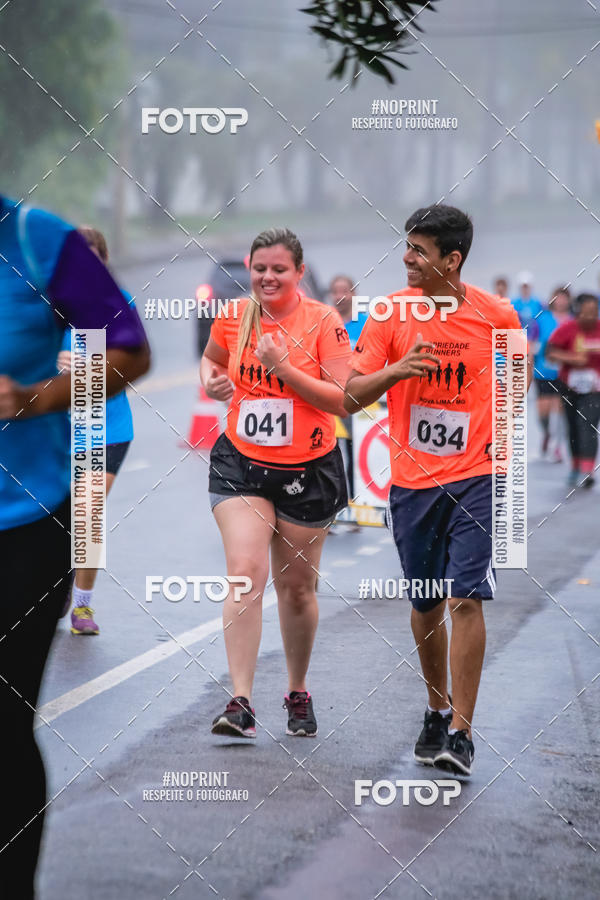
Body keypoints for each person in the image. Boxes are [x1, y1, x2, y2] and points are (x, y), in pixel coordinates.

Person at [344, 204, 531, 777]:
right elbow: (350, 393)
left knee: (465, 598)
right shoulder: (389, 314)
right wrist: (396, 372)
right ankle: (436, 707)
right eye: (406, 246)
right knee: (425, 603)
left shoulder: (496, 313)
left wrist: (498, 429)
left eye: (419, 250)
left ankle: (462, 734)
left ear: (452, 260)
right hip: (412, 484)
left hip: (476, 477)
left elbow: (518, 375)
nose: (406, 257)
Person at [0, 194, 149, 896]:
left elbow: (131, 348)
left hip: (23, 522)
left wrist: (36, 397)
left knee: (4, 722)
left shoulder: (36, 239)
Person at [201, 228, 351, 739]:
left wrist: (282, 368)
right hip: (240, 463)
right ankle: (240, 700)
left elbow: (341, 400)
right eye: (259, 268)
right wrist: (211, 381)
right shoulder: (233, 316)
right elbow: (212, 360)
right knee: (245, 571)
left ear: (299, 272)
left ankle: (297, 689)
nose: (267, 277)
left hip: (308, 469)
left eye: (279, 269)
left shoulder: (323, 322)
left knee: (297, 588)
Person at [57, 226, 136, 634]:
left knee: (87, 513)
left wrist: (93, 368)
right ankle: (59, 581)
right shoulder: (49, 306)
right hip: (56, 430)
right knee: (55, 519)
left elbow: (132, 368)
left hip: (106, 428)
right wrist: (56, 362)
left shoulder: (118, 305)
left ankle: (82, 607)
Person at [547, 293, 600, 488]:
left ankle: (588, 469)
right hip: (569, 387)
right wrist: (572, 358)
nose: (590, 316)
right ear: (578, 311)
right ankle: (576, 465)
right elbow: (550, 353)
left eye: (594, 312)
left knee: (587, 424)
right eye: (586, 312)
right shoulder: (567, 329)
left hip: (594, 390)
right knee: (573, 426)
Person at [328, 274, 365, 525]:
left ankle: (355, 508)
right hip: (330, 400)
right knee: (330, 457)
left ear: (354, 294)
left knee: (353, 455)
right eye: (335, 291)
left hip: (358, 401)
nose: (340, 296)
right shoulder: (326, 323)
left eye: (345, 291)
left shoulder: (365, 324)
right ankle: (331, 510)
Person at [533, 287, 572, 460]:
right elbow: (533, 341)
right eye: (558, 298)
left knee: (559, 408)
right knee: (543, 412)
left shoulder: (572, 320)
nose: (561, 301)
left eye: (564, 298)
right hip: (543, 371)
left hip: (564, 372)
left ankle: (557, 446)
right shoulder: (543, 319)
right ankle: (547, 433)